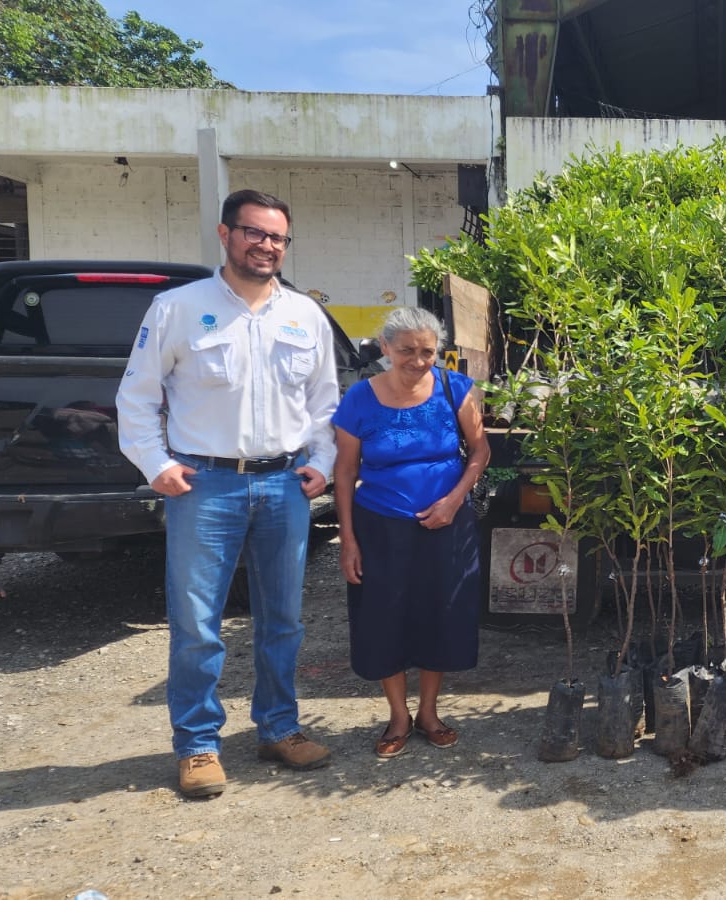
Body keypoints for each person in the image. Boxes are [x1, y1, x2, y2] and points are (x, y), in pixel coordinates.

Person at [117, 189, 340, 798]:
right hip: (203, 484)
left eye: (277, 237)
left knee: (283, 619)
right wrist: (155, 463)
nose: (266, 245)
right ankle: (197, 744)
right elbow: (136, 397)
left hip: (284, 484)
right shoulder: (177, 308)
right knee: (197, 622)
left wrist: (323, 461)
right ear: (225, 234)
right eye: (254, 233)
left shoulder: (304, 315)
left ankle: (279, 728)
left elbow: (324, 404)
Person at [332, 307, 489, 759]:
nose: (418, 361)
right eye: (406, 351)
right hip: (380, 525)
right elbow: (345, 471)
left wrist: (454, 499)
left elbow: (480, 451)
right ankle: (398, 716)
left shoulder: (454, 388)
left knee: (439, 614)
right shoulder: (360, 398)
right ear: (384, 348)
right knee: (385, 618)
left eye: (427, 351)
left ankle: (430, 713)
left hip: (446, 524)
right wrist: (348, 539)